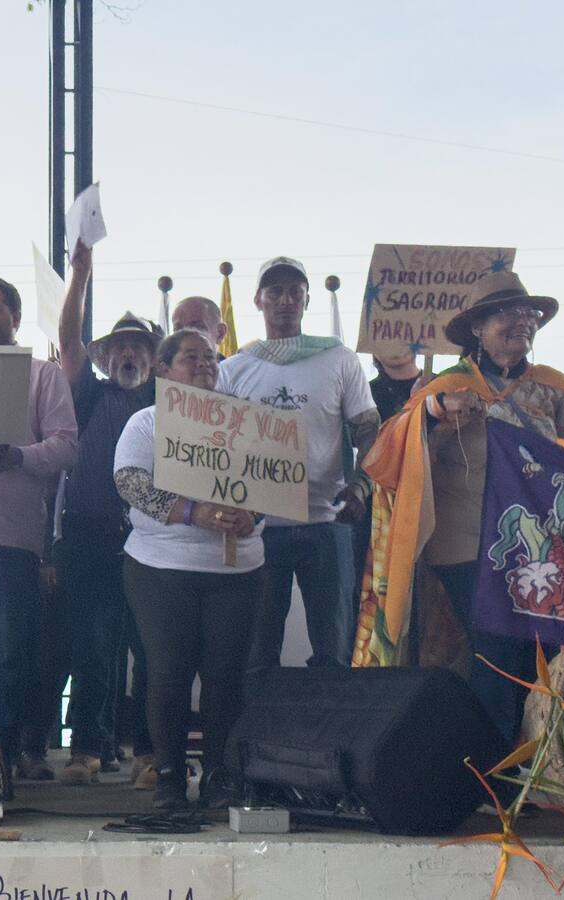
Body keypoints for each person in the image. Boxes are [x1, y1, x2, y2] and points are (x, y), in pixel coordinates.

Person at [360, 271, 564, 742]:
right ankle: (491, 766)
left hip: (535, 549)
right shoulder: (447, 385)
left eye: (528, 313)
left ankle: (537, 761)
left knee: (542, 655)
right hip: (467, 547)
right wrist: (436, 410)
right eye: (507, 313)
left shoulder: (546, 386)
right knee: (497, 650)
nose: (521, 321)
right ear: (478, 328)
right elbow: (391, 447)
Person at [115, 329, 265, 810]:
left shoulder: (246, 424)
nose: (204, 365)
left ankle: (220, 777)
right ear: (163, 370)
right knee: (168, 674)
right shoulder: (146, 422)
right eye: (191, 357)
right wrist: (190, 512)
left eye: (211, 358)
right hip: (161, 567)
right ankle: (169, 780)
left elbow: (269, 481)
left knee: (226, 678)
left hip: (236, 570)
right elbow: (130, 483)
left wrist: (253, 514)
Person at [217, 256, 379, 672]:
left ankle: (330, 719)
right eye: (275, 291)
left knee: (335, 651)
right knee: (257, 653)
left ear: (307, 301)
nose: (285, 300)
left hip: (327, 521)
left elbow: (369, 430)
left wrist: (361, 486)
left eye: (295, 291)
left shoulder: (339, 359)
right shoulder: (232, 369)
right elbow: (218, 445)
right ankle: (258, 717)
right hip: (258, 526)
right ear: (258, 300)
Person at [56, 240, 160, 786]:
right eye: (120, 347)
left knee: (152, 650)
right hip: (91, 537)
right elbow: (67, 338)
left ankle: (150, 753)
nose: (129, 355)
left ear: (154, 359)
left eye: (139, 346)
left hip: (156, 541)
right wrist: (81, 274)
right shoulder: (88, 395)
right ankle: (87, 750)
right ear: (104, 358)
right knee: (92, 647)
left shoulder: (173, 404)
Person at [0, 276, 78, 779]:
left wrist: (15, 457)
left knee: (8, 654)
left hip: (11, 538)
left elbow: (66, 446)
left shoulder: (42, 375)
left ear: (15, 316)